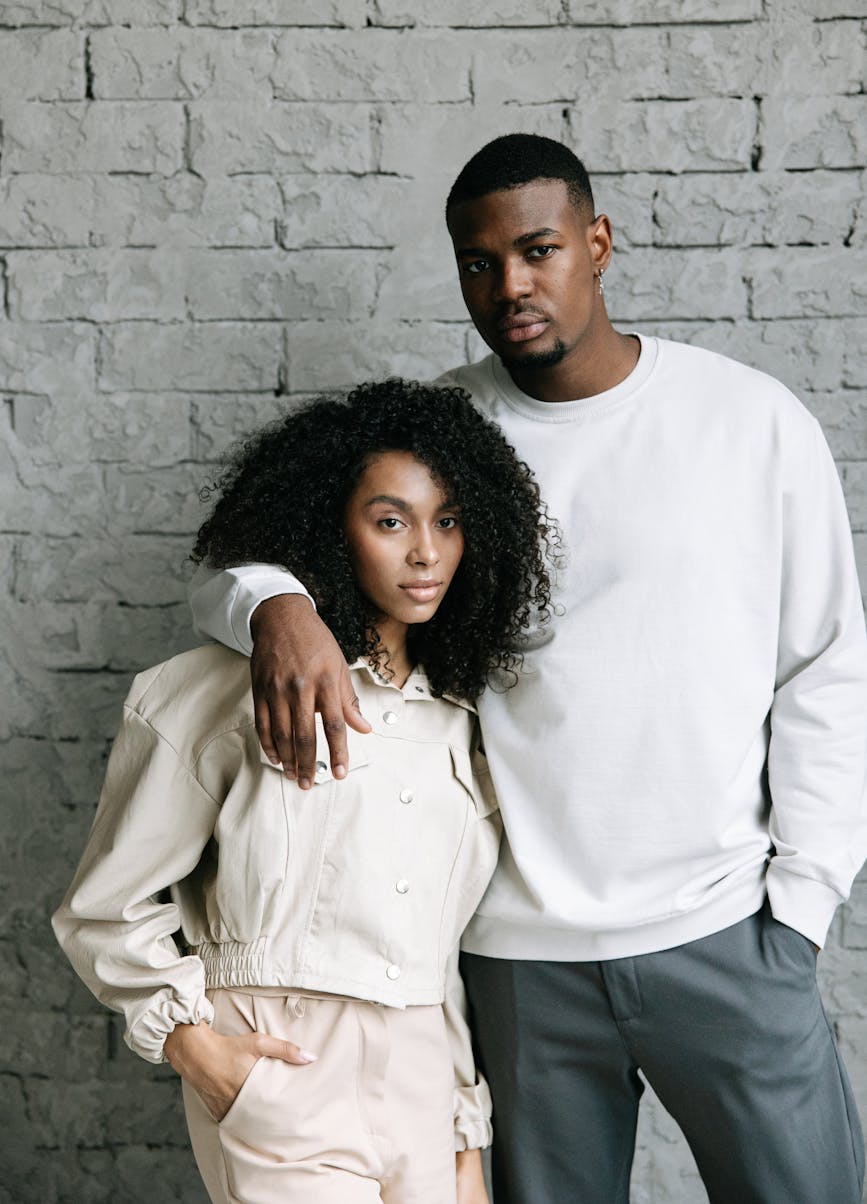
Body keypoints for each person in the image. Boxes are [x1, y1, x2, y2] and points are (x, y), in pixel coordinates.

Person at [190, 134, 867, 1204]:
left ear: (597, 243)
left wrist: (803, 905)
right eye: (477, 263)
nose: (509, 285)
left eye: (539, 249)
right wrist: (275, 602)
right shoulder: (445, 439)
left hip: (726, 933)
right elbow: (229, 564)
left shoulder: (746, 420)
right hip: (514, 959)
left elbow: (828, 665)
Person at [53, 377, 559, 1204]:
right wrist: (195, 1046)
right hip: (282, 1064)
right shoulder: (221, 690)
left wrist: (463, 1130)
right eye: (390, 520)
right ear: (333, 525)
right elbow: (104, 905)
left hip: (426, 1088)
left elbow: (432, 946)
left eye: (449, 521)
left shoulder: (463, 717)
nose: (425, 552)